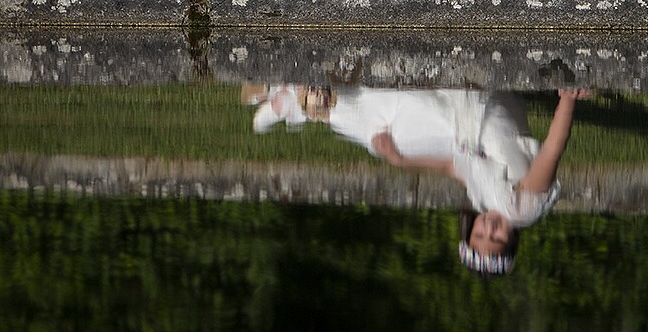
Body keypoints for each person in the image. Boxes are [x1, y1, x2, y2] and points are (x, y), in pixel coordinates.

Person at [245, 83, 589, 276]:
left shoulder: (486, 204)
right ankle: (303, 102)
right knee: (399, 108)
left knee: (384, 142)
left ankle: (302, 101)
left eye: (479, 232)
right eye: (495, 237)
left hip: (462, 128)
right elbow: (551, 153)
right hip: (479, 110)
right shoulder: (522, 210)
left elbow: (453, 167)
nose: (489, 226)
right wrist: (567, 99)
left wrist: (402, 160)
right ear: (511, 240)